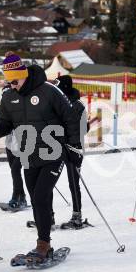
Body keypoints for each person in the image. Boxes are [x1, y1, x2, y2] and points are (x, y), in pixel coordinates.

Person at [0, 52, 82, 264]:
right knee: (36, 199)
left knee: (41, 195)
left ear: (23, 75)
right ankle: (46, 242)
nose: (12, 85)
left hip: (54, 152)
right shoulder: (9, 96)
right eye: (8, 81)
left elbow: (70, 117)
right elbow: (5, 125)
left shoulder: (49, 91)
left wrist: (73, 145)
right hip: (28, 154)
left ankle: (42, 245)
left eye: (14, 81)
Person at [56, 75, 89, 229]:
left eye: (58, 86)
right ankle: (46, 216)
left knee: (73, 182)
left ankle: (77, 216)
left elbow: (84, 128)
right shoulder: (59, 102)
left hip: (73, 148)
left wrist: (70, 141)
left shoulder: (77, 105)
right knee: (48, 182)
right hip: (58, 148)